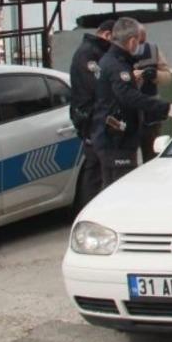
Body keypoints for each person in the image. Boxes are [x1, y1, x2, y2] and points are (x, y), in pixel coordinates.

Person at [90, 18, 172, 190]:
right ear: (132, 41)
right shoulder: (117, 65)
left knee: (113, 187)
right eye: (138, 41)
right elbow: (128, 95)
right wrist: (166, 108)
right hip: (117, 139)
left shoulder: (109, 60)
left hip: (115, 135)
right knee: (122, 188)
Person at [69, 18, 114, 206]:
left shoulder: (98, 51)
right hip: (92, 119)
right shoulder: (88, 54)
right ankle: (89, 210)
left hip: (98, 117)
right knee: (95, 171)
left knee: (101, 170)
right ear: (107, 35)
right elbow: (97, 86)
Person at [132, 26, 172, 163]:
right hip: (130, 114)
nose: (140, 46)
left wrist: (155, 75)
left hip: (151, 115)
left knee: (152, 156)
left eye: (143, 41)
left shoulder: (153, 50)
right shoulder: (118, 54)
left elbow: (167, 76)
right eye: (138, 41)